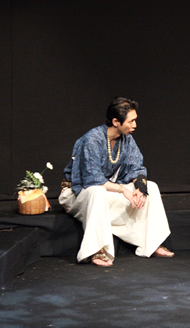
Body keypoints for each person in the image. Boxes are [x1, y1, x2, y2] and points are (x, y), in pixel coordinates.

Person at [59, 97, 174, 267]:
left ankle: (152, 243)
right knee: (97, 191)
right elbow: (92, 180)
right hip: (78, 193)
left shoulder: (127, 139)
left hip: (106, 190)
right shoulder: (92, 140)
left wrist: (140, 188)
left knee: (151, 187)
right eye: (131, 121)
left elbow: (137, 167)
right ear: (115, 122)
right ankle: (97, 250)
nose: (135, 125)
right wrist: (123, 190)